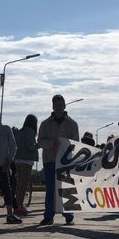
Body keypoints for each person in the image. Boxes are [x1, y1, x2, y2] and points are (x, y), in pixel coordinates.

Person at [37, 95, 79, 226]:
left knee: (66, 189)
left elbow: (76, 142)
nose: (58, 108)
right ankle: (48, 216)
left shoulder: (72, 124)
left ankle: (69, 215)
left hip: (66, 162)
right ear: (52, 107)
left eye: (60, 105)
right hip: (50, 160)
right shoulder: (45, 124)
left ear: (65, 106)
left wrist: (64, 146)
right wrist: (51, 144)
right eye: (56, 106)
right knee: (50, 190)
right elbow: (40, 141)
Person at [14, 114, 39, 215]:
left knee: (19, 184)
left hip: (18, 159)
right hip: (27, 160)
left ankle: (16, 204)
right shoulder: (30, 131)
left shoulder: (20, 131)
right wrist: (39, 145)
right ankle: (19, 206)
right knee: (24, 184)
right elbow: (30, 146)